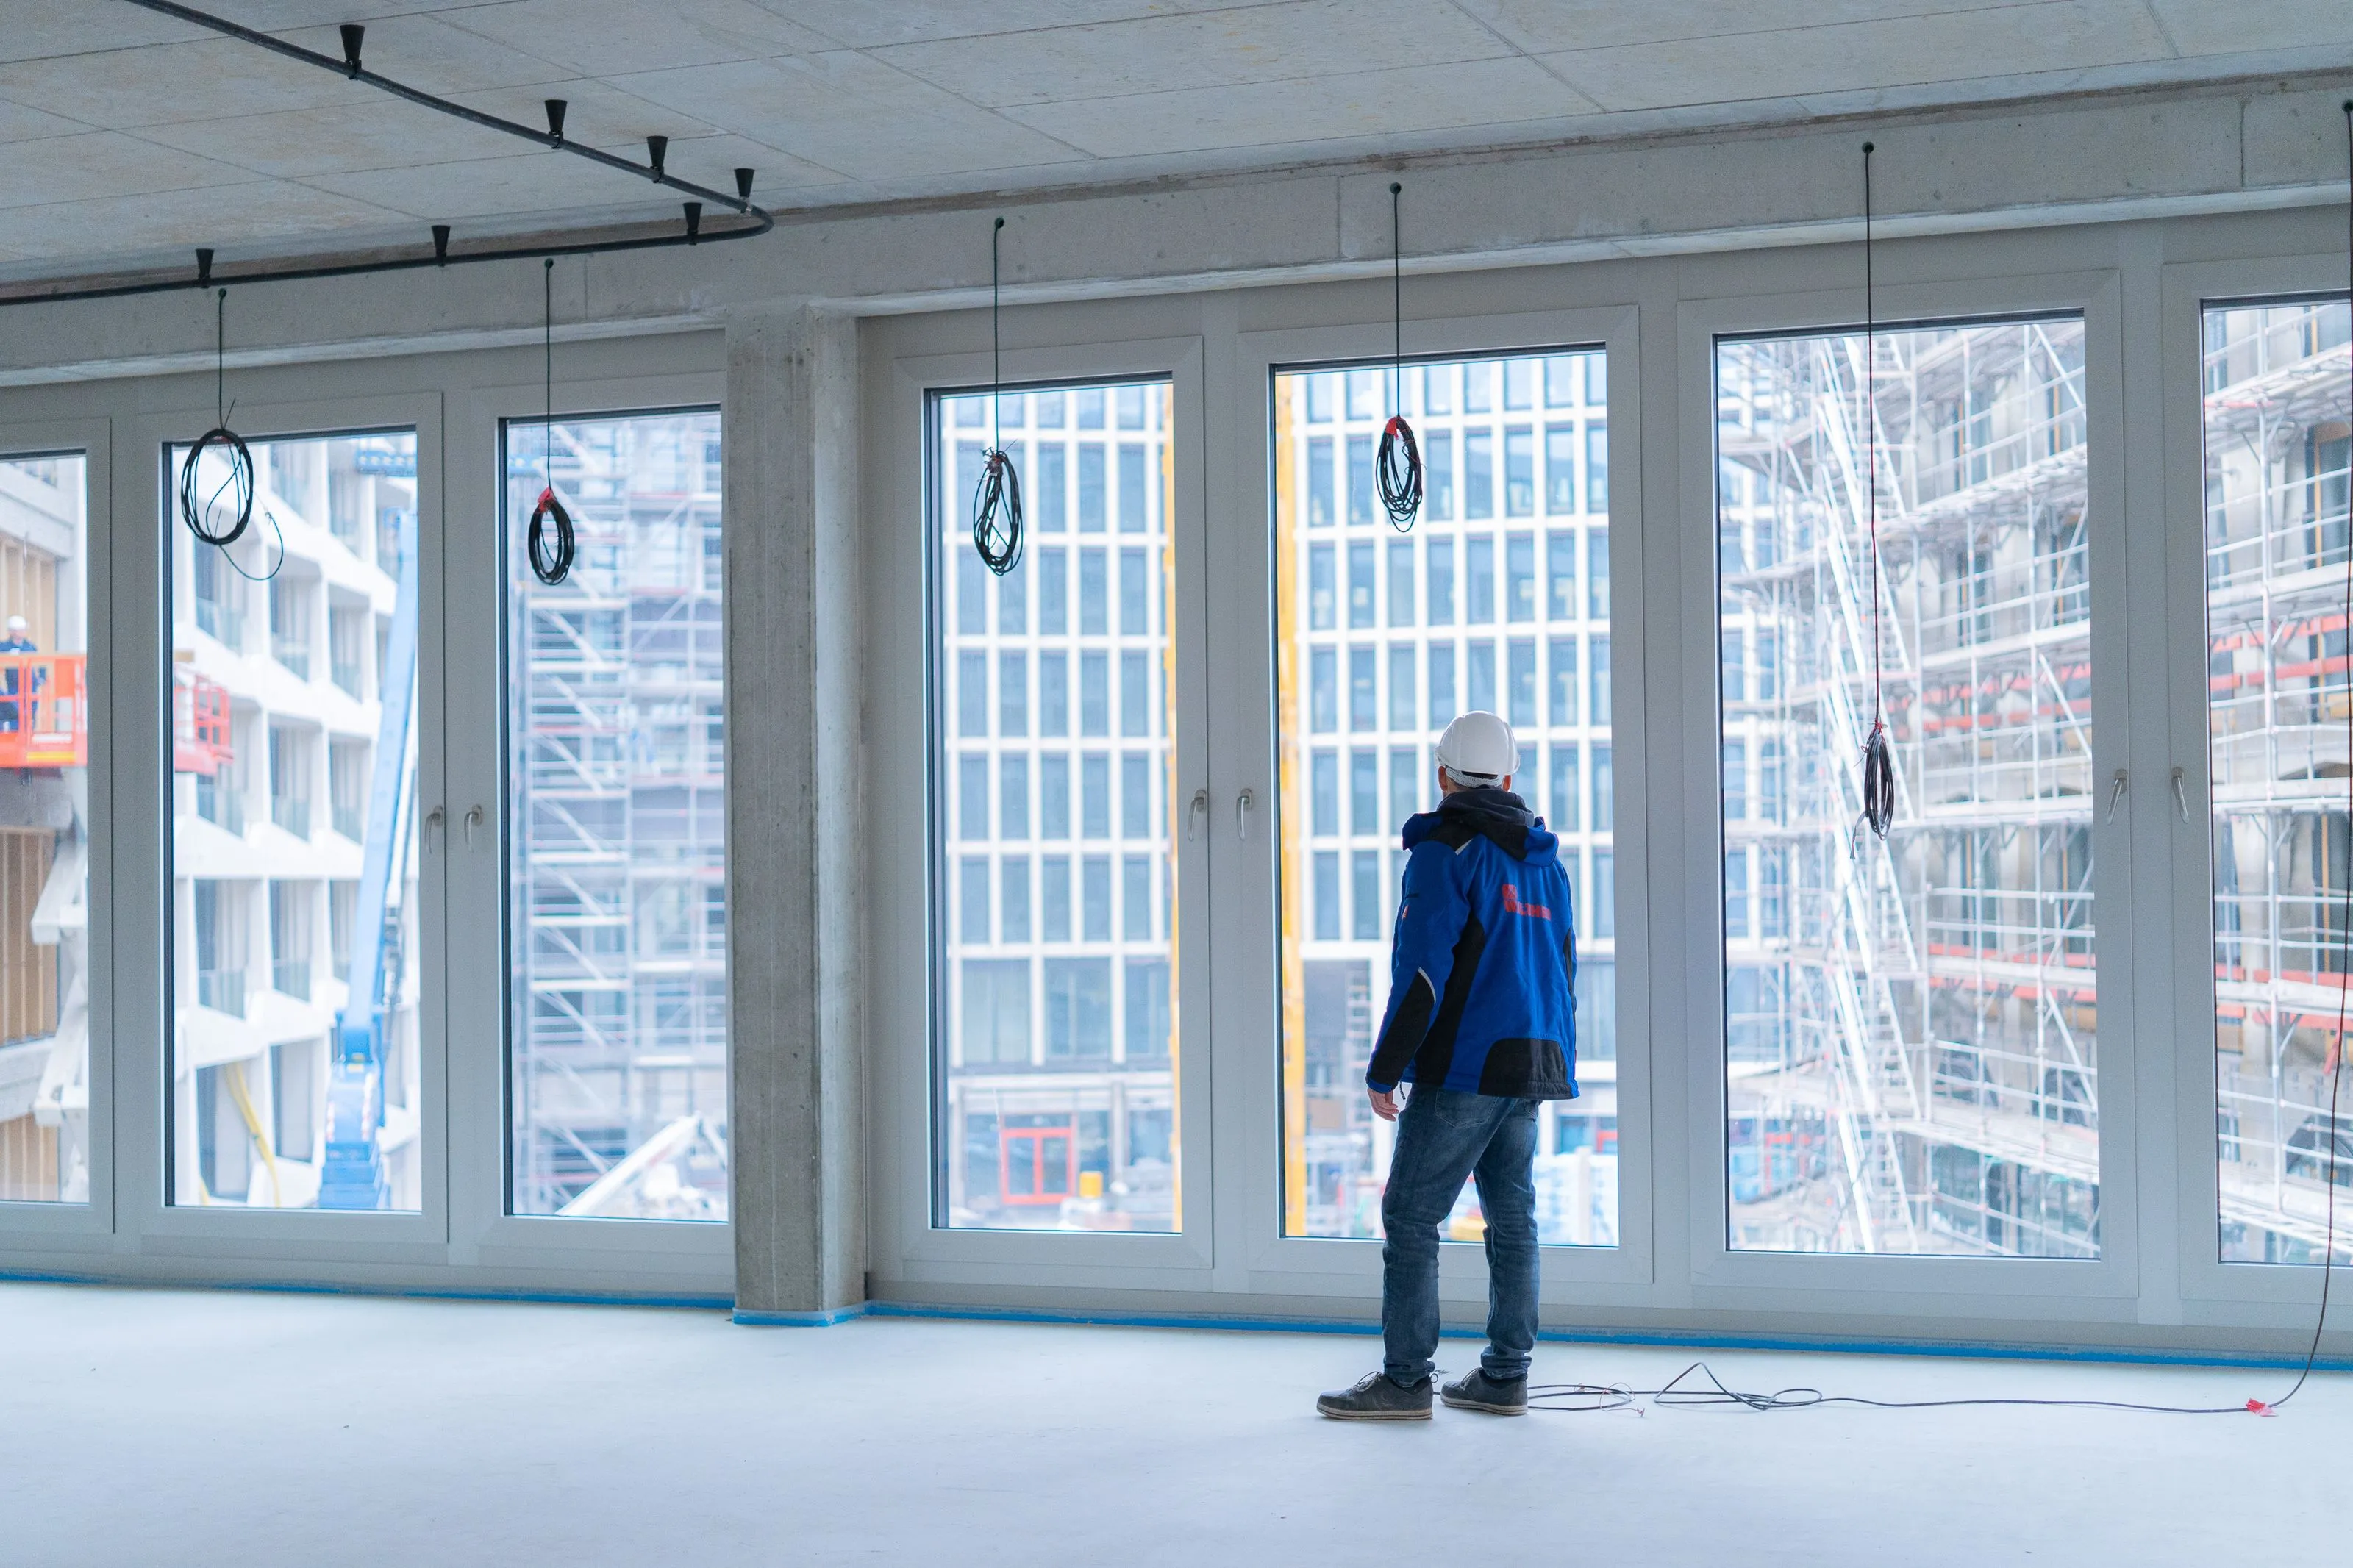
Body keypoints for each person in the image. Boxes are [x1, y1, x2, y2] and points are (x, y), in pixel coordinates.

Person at [1317, 710, 1578, 1421]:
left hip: (1465, 1064)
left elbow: (1422, 973)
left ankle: (1405, 1382)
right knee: (1513, 1218)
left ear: (1443, 778)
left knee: (1410, 1215)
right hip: (1531, 1059)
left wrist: (1386, 1068)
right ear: (1509, 777)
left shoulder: (1444, 852)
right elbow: (1562, 968)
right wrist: (1554, 1057)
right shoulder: (1544, 860)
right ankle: (1505, 1374)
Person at [0, 615, 32, 734]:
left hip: (29, 686)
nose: (18, 633)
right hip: (13, 685)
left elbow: (41, 663)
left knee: (29, 715)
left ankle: (28, 737)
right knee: (16, 713)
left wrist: (42, 678)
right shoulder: (4, 647)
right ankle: (15, 734)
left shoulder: (29, 647)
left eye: (21, 630)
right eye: (15, 630)